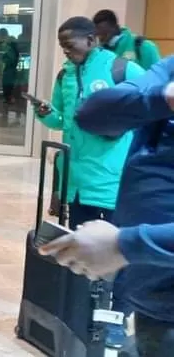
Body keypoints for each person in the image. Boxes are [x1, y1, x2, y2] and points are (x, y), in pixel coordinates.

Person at [35, 16, 144, 348]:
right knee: (83, 249)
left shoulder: (121, 70)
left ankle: (118, 316)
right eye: (62, 46)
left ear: (92, 40)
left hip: (112, 180)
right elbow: (60, 119)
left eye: (71, 44)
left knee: (118, 250)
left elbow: (150, 105)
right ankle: (86, 310)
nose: (66, 51)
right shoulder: (65, 75)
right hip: (77, 179)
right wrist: (44, 112)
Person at [67, 57, 174, 356]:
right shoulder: (170, 71)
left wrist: (123, 244)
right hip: (153, 300)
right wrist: (163, 98)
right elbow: (93, 113)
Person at [93, 9, 160, 70]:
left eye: (104, 34)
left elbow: (156, 76)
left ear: (115, 27)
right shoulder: (100, 51)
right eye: (98, 34)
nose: (100, 38)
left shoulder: (143, 46)